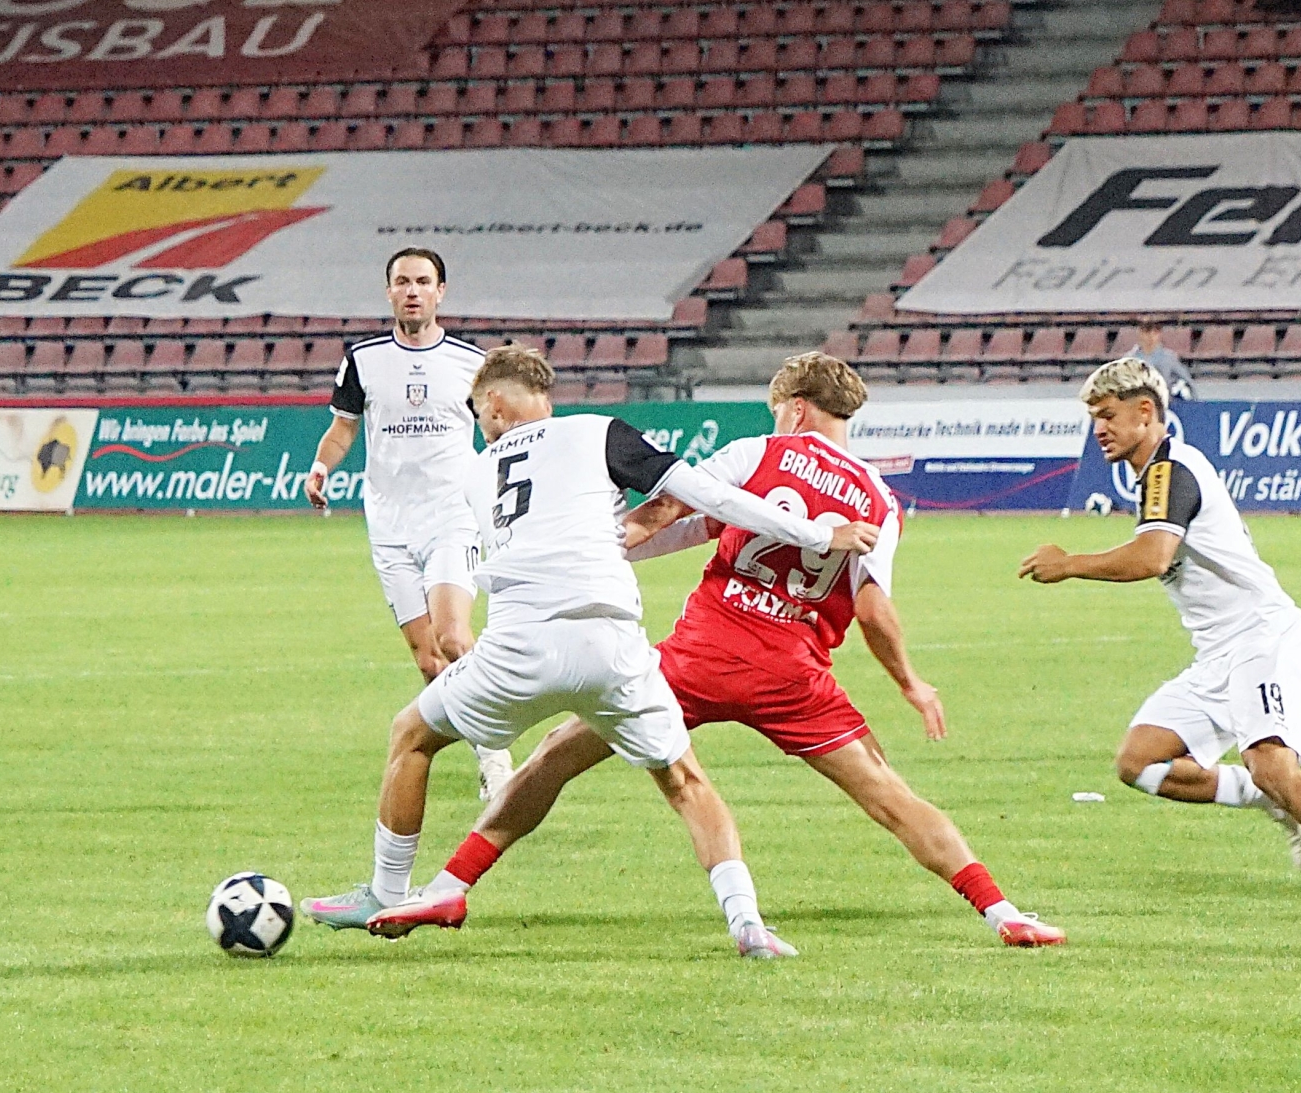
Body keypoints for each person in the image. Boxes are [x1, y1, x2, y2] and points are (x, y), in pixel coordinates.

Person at [379, 352, 1067, 949]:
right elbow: (872, 608)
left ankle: (451, 883)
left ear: (795, 409)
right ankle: (1001, 911)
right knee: (887, 792)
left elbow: (672, 510)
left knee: (556, 755)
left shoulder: (757, 453)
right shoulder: (879, 501)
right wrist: (910, 681)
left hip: (699, 657)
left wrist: (586, 551)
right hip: (792, 673)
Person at [307, 344, 881, 957]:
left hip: (520, 646)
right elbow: (710, 496)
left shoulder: (475, 473)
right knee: (685, 781)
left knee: (412, 735)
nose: (480, 425)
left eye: (477, 413)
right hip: (611, 645)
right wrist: (820, 533)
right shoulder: (599, 431)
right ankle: (747, 925)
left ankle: (386, 892)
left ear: (495, 403)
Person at [1019, 358, 1301, 913]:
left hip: (1259, 637)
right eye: (1094, 419)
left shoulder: (1170, 469)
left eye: (1107, 415)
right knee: (1140, 762)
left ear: (1145, 412)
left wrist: (1069, 564)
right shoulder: (1159, 472)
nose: (1099, 430)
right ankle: (1269, 798)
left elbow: (1152, 556)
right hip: (1219, 652)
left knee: (1273, 764)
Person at [303, 247, 513, 801]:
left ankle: (496, 758)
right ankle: (483, 739)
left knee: (454, 637)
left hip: (452, 517)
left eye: (423, 281)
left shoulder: (471, 363)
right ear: (389, 291)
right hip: (390, 525)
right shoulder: (363, 359)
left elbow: (498, 431)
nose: (412, 291)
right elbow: (344, 429)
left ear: (441, 291)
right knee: (429, 661)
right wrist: (321, 466)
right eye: (403, 282)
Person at [1125, 317, 1195, 400]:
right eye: (1147, 332)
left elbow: (1187, 381)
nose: (1151, 336)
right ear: (1140, 333)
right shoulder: (1130, 358)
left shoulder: (1169, 357)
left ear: (1159, 334)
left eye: (1155, 332)